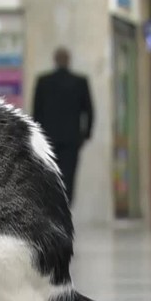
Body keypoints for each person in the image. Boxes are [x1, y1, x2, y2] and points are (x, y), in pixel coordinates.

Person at [32, 48, 94, 205]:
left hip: (48, 138)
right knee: (69, 176)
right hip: (71, 139)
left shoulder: (43, 82)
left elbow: (36, 112)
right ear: (68, 60)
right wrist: (86, 134)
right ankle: (66, 207)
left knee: (50, 175)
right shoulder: (80, 82)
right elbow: (89, 110)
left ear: (55, 60)